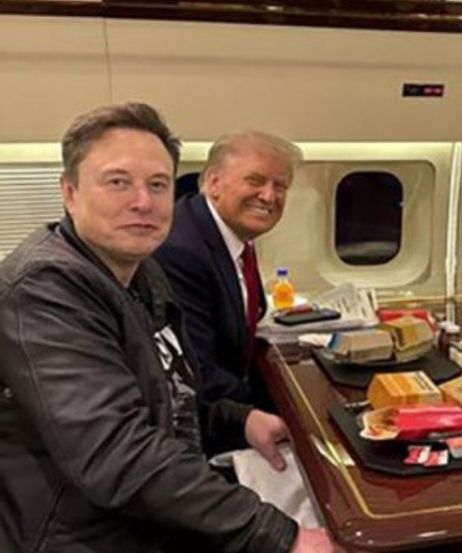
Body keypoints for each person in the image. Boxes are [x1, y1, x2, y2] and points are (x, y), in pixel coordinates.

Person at [0, 103, 336, 552]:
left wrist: (239, 418)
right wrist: (280, 537)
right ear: (70, 192)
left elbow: (169, 392)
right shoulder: (45, 287)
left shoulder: (141, 274)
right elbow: (118, 453)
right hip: (81, 533)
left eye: (157, 185)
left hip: (142, 512)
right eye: (118, 182)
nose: (143, 201)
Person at [155, 131, 300, 425]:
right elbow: (198, 373)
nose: (269, 196)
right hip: (202, 424)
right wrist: (288, 411)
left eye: (280, 186)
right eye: (255, 181)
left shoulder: (234, 235)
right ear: (213, 183)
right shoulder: (183, 250)